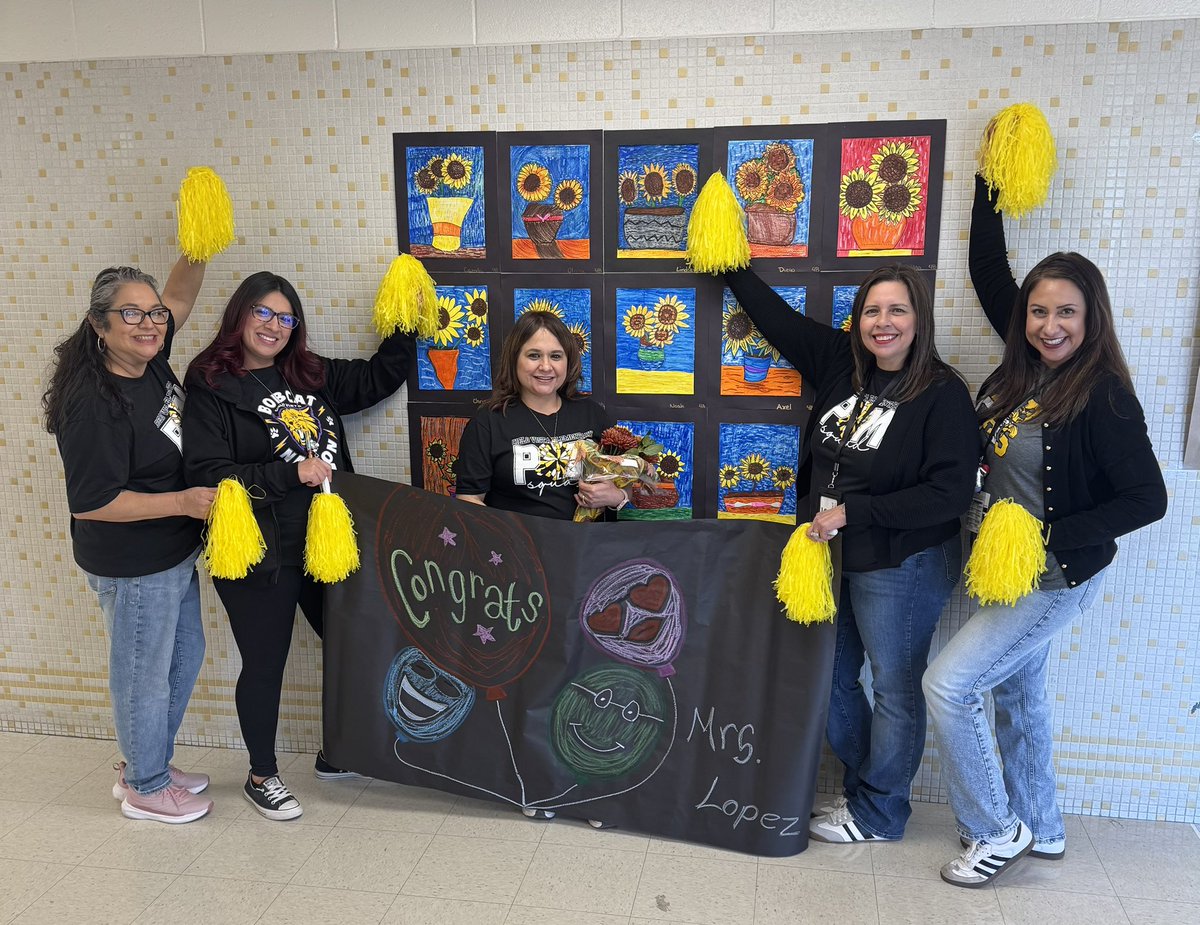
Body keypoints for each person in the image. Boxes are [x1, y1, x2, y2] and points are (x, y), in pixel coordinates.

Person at [924, 177, 1168, 888]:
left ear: (1093, 318)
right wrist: (991, 178)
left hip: (1055, 577)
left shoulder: (1103, 393)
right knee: (1019, 696)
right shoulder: (1023, 364)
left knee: (949, 684)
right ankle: (1045, 826)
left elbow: (1146, 498)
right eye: (1038, 311)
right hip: (1006, 573)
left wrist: (1047, 537)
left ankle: (996, 829)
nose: (1049, 324)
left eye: (1067, 311)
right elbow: (987, 271)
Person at [724, 265, 978, 843]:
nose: (883, 323)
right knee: (833, 680)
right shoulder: (842, 362)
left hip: (903, 561)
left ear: (919, 320)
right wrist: (730, 264)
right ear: (857, 320)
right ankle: (866, 792)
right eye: (872, 311)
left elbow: (949, 495)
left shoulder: (942, 393)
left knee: (893, 686)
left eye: (897, 311)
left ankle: (881, 813)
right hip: (832, 561)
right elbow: (778, 322)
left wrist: (856, 513)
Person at [182, 271, 414, 821]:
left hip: (324, 543)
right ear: (239, 315)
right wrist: (293, 473)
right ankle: (262, 776)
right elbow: (210, 474)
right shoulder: (209, 382)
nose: (274, 326)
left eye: (286, 318)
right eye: (262, 313)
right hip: (258, 548)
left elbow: (382, 376)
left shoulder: (309, 373)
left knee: (351, 641)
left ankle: (338, 753)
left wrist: (405, 308)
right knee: (266, 661)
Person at [43, 258, 216, 824]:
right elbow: (93, 501)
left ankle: (150, 762)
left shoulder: (148, 361)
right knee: (144, 673)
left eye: (154, 313)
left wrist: (199, 242)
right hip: (134, 563)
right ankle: (145, 784)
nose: (151, 323)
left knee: (183, 657)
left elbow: (180, 297)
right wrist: (184, 502)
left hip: (170, 552)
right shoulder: (94, 403)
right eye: (132, 313)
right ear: (99, 325)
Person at [454, 309, 628, 825]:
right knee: (534, 679)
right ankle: (539, 782)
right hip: (520, 575)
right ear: (516, 359)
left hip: (586, 569)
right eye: (534, 354)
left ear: (569, 362)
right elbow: (468, 502)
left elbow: (623, 493)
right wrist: (510, 549)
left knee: (587, 675)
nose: (545, 366)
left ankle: (588, 783)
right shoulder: (489, 422)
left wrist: (612, 493)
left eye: (555, 355)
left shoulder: (592, 417)